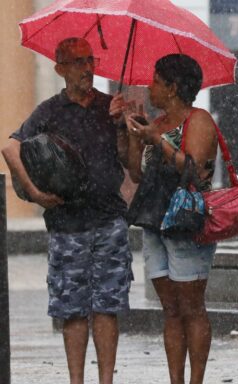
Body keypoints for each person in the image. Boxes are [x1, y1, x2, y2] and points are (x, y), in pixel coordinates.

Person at [1, 37, 132, 384]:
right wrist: (35, 193)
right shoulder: (49, 111)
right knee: (72, 310)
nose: (87, 68)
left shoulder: (110, 107)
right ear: (60, 69)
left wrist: (123, 126)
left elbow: (131, 165)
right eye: (77, 62)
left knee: (108, 306)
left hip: (109, 220)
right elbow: (10, 148)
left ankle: (106, 380)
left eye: (90, 60)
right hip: (67, 224)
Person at [124, 54, 219, 384]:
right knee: (171, 309)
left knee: (192, 306)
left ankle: (196, 380)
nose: (150, 87)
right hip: (155, 221)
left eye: (155, 81)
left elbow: (192, 168)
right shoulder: (158, 123)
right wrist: (135, 136)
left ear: (173, 87)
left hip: (186, 223)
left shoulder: (200, 120)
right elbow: (137, 175)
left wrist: (158, 142)